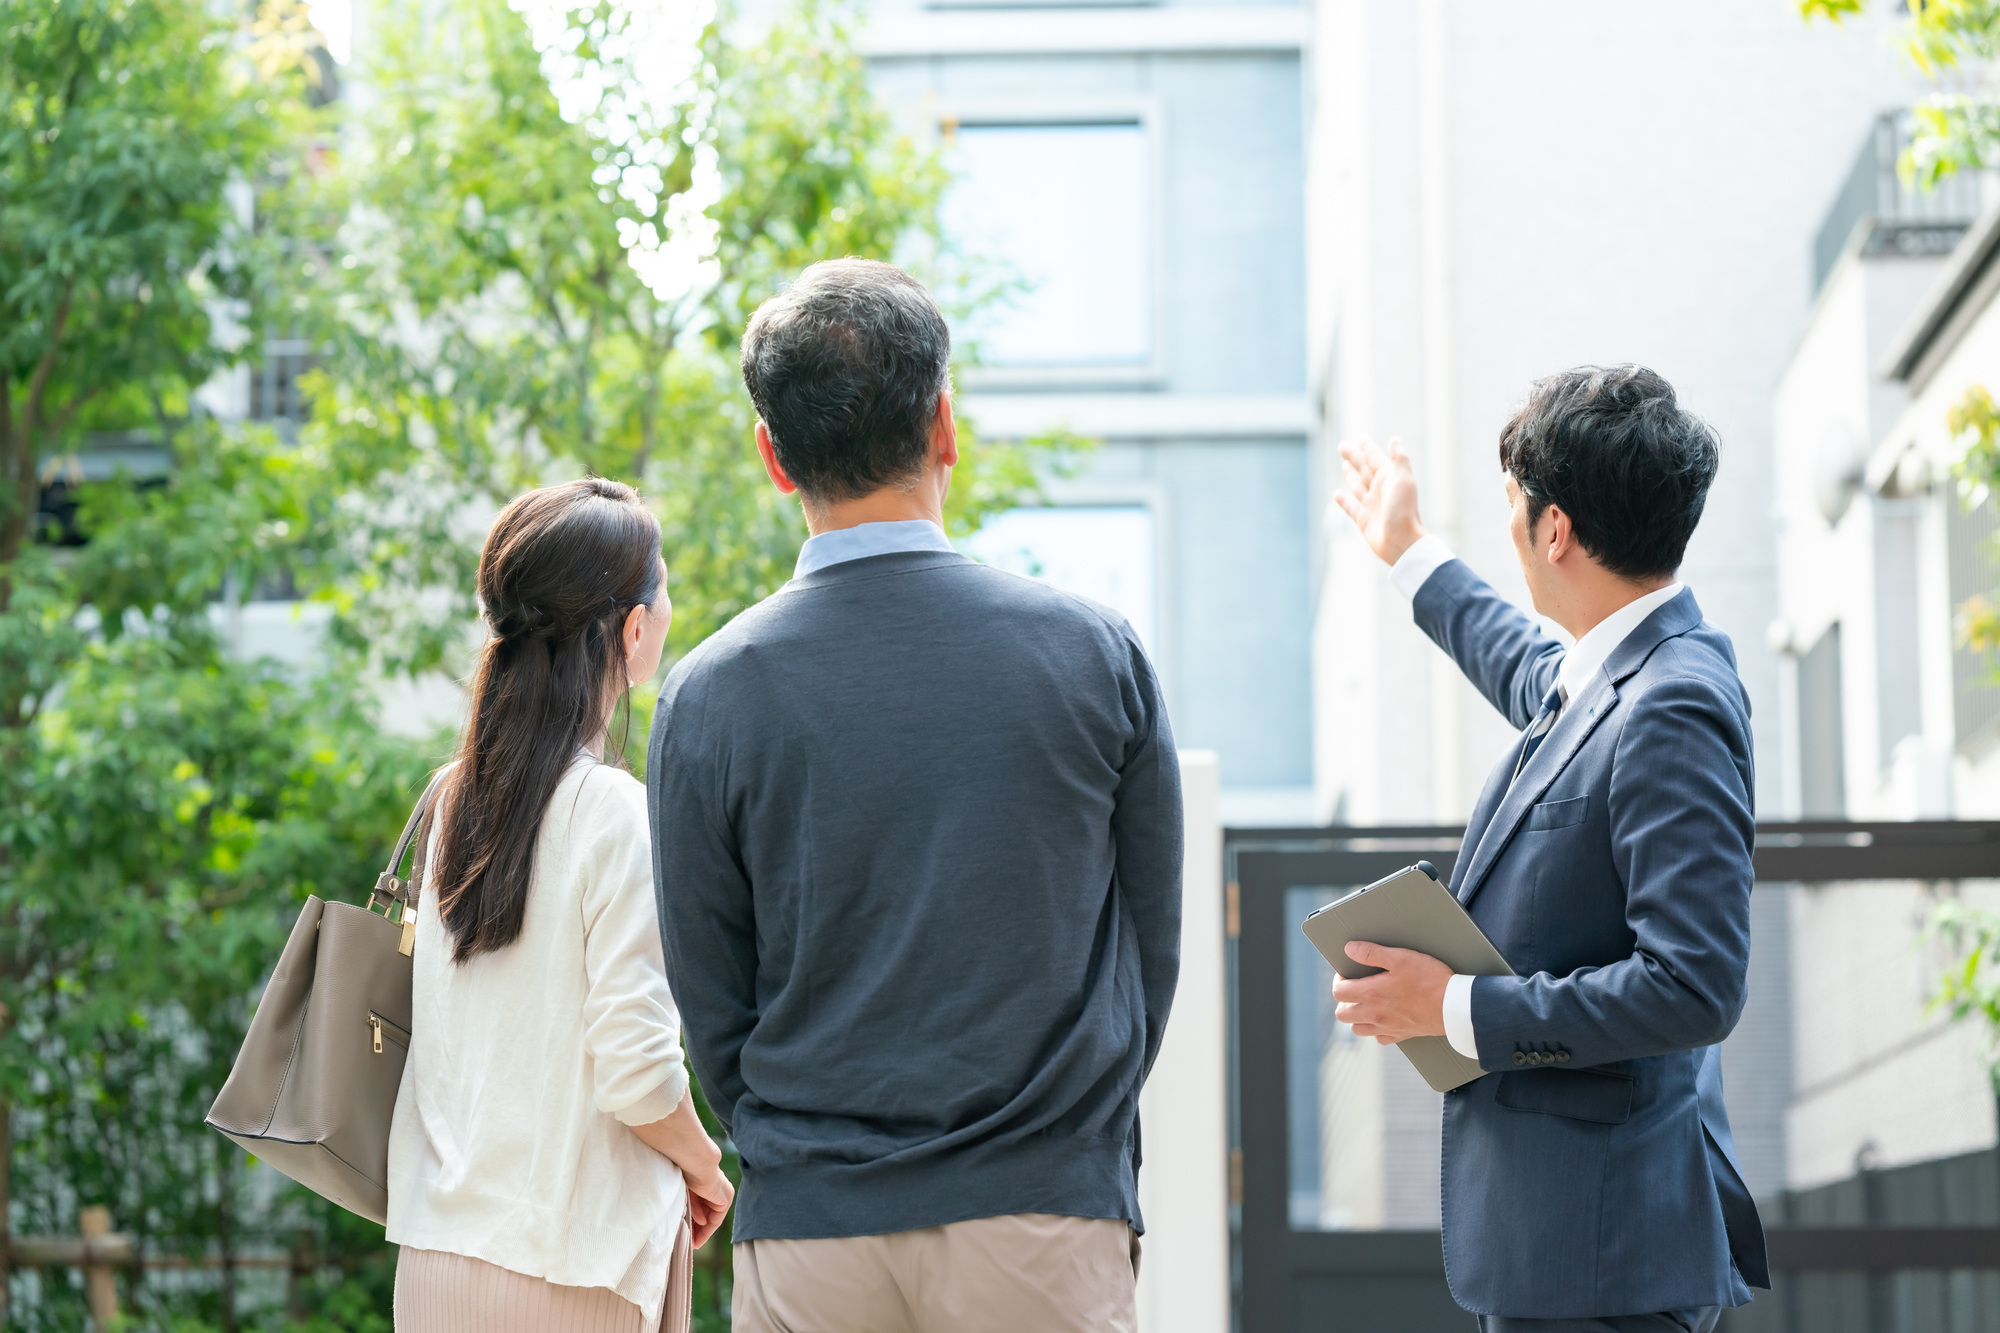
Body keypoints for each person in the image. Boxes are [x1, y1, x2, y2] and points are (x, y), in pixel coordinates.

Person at [648, 257, 1184, 1333]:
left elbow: (712, 995)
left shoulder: (706, 693)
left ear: (771, 455)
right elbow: (1148, 943)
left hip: (809, 1227)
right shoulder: (1092, 653)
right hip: (1038, 1213)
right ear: (945, 424)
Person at [1328, 366, 1770, 1332]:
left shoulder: (1673, 701)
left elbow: (1694, 984)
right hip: (1567, 1248)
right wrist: (1406, 551)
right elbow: (1519, 658)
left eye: (1514, 506)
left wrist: (1451, 1007)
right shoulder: (1607, 673)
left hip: (1607, 1260)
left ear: (1555, 527)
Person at [387, 478, 735, 1333]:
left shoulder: (453, 796)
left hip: (436, 1263)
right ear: (632, 628)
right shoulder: (609, 809)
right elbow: (638, 1068)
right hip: (569, 1269)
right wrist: (706, 1164)